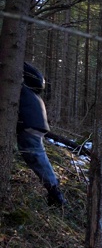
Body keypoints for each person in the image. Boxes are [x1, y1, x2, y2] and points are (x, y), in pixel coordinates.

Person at [17, 62, 66, 206]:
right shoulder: (30, 88)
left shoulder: (18, 83)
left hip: (28, 123)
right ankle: (55, 193)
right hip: (36, 122)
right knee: (38, 157)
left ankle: (56, 195)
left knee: (36, 157)